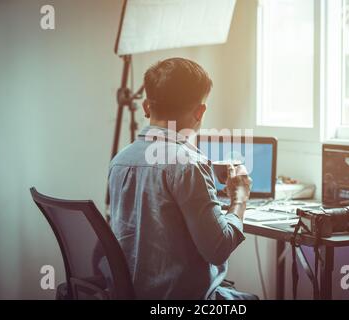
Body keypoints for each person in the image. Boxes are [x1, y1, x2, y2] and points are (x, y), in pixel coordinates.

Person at [108, 57, 255, 299]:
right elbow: (218, 249)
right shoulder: (189, 166)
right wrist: (239, 198)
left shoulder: (119, 161)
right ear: (200, 111)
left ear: (146, 107)